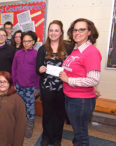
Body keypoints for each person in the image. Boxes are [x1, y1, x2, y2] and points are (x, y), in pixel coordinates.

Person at [59, 18, 101, 146]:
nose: (77, 32)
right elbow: (79, 71)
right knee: (78, 132)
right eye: (75, 30)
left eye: (81, 29)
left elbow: (93, 79)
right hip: (71, 97)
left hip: (80, 100)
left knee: (81, 135)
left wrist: (68, 79)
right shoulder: (76, 49)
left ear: (89, 32)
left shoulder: (91, 51)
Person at [36, 20, 72, 146]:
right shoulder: (42, 48)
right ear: (48, 32)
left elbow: (73, 66)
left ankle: (57, 139)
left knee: (59, 115)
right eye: (51, 30)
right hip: (47, 88)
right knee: (47, 115)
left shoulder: (68, 47)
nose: (53, 33)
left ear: (61, 32)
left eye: (56, 30)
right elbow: (38, 68)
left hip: (63, 88)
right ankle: (46, 137)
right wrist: (40, 69)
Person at [12, 31, 40, 138]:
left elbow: (38, 72)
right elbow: (14, 69)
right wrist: (14, 83)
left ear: (33, 42)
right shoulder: (18, 53)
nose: (26, 43)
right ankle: (18, 128)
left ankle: (28, 130)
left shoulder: (36, 54)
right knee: (19, 108)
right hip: (18, 86)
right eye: (24, 41)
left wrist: (37, 87)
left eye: (29, 41)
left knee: (30, 110)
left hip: (30, 88)